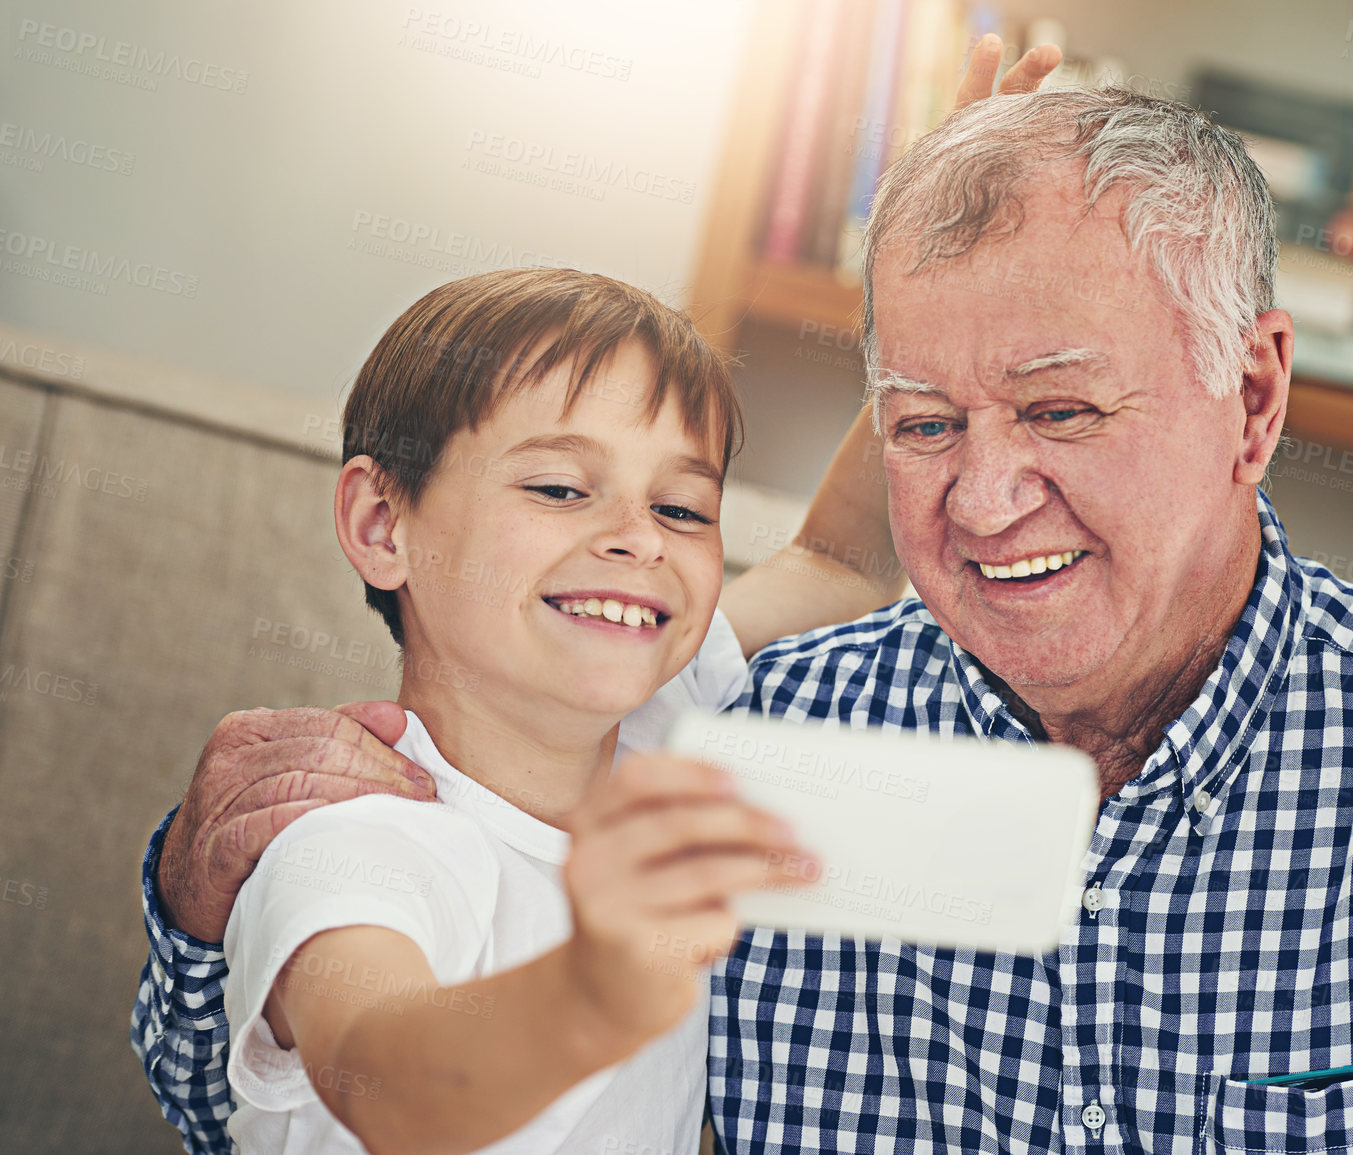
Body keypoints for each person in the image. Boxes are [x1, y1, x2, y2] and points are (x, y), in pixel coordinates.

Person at [138, 52, 1353, 1155]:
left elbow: (828, 550)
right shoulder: (733, 741)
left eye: (1063, 411)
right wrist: (201, 908)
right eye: (919, 424)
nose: (977, 502)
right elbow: (286, 1098)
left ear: (1249, 401)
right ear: (378, 520)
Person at [208, 265, 870, 1154]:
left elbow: (841, 563)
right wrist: (593, 992)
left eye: (682, 507)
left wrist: (956, 315)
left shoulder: (665, 722)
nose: (638, 536)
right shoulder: (355, 841)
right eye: (559, 488)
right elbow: (395, 1087)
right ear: (381, 526)